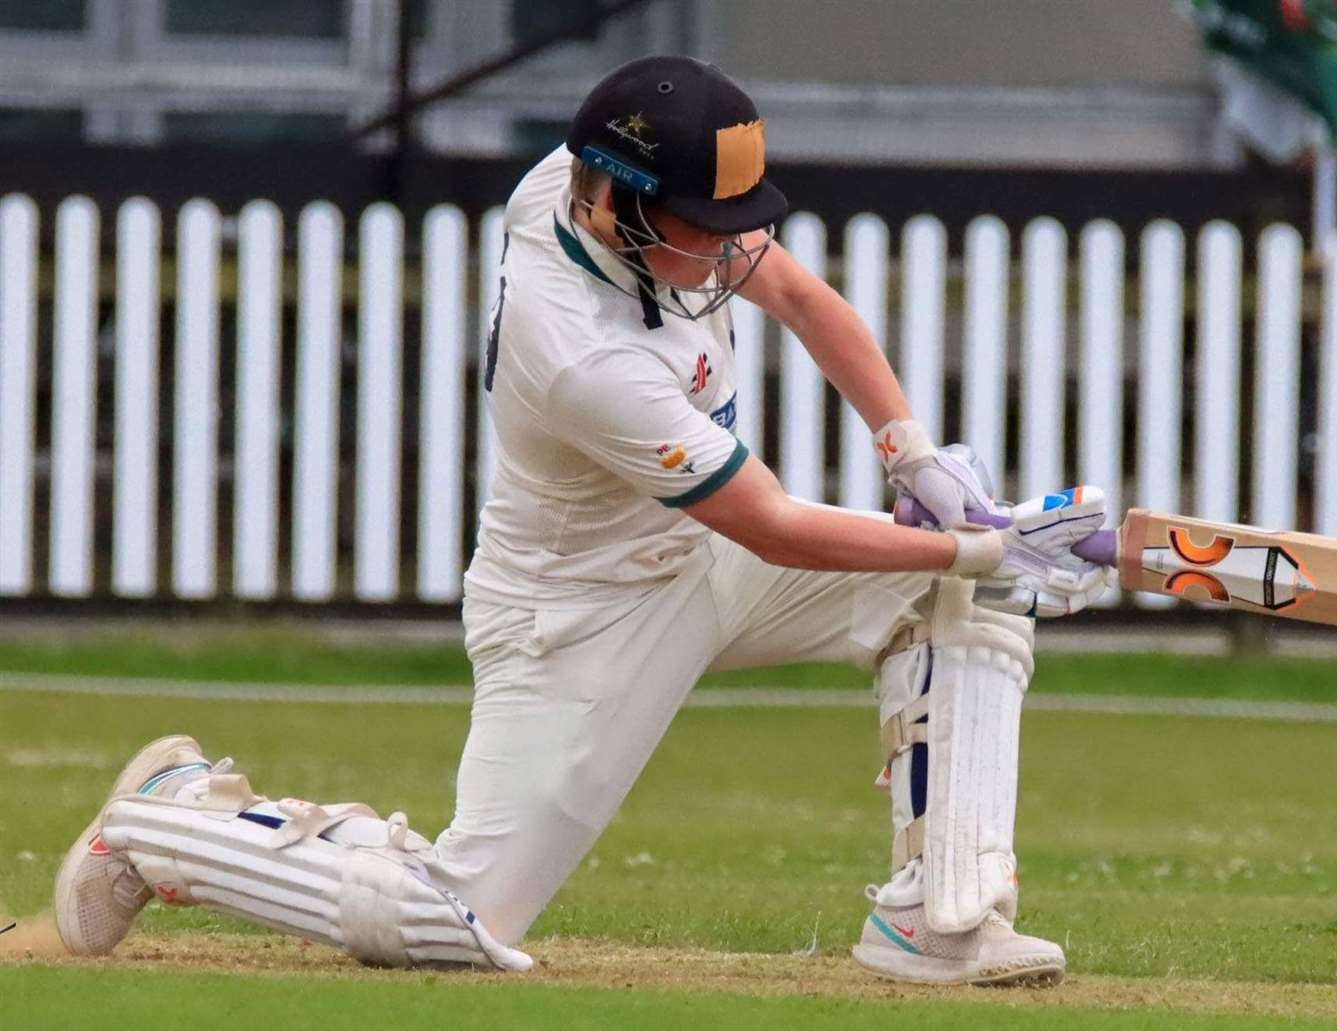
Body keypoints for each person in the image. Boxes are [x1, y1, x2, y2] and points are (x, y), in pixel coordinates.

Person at [51, 55, 1114, 987]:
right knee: (450, 920)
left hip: (702, 557)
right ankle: (172, 816)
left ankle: (940, 919)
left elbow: (804, 302)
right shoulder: (582, 353)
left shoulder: (602, 188)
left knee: (955, 593)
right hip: (580, 614)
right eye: (713, 229)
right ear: (621, 208)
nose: (739, 253)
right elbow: (774, 524)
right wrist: (981, 537)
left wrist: (913, 456)